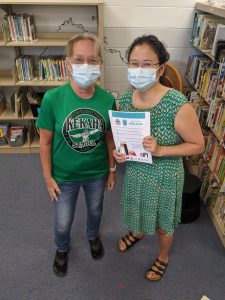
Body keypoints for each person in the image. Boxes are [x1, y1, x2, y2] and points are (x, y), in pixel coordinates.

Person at [113, 35, 205, 282]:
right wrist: (120, 153)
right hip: (136, 173)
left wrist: (162, 150)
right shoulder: (124, 100)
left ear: (161, 68)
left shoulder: (177, 104)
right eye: (133, 63)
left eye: (146, 64)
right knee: (136, 210)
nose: (138, 70)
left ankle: (163, 256)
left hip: (165, 177)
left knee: (164, 223)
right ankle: (139, 231)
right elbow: (124, 139)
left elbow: (198, 145)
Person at [36, 33, 116, 277]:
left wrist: (111, 169)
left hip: (96, 173)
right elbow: (45, 143)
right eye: (79, 59)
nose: (86, 66)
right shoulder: (52, 98)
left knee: (95, 211)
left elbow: (109, 137)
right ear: (68, 62)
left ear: (100, 63)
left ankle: (93, 237)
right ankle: (62, 249)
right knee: (63, 221)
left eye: (92, 60)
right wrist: (48, 178)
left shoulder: (108, 99)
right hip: (64, 176)